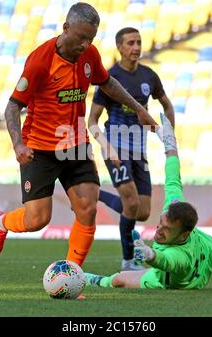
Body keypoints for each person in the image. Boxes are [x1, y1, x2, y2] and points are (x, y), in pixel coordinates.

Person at [0, 3, 158, 267]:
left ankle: (71, 274)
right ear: (66, 29)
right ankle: (2, 222)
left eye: (90, 39)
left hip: (75, 143)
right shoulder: (40, 61)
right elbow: (12, 106)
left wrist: (138, 108)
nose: (84, 44)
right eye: (80, 38)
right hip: (39, 148)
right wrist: (18, 144)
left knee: (88, 209)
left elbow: (107, 83)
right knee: (37, 220)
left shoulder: (89, 55)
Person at [85, 114, 212, 290]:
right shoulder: (173, 208)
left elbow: (167, 261)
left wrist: (150, 255)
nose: (159, 231)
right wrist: (170, 145)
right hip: (206, 247)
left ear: (183, 236)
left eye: (167, 230)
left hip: (180, 280)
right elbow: (173, 177)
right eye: (160, 224)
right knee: (210, 243)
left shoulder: (179, 257)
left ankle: (91, 279)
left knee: (118, 280)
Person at [88, 27, 174, 271]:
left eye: (138, 42)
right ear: (119, 47)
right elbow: (92, 121)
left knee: (142, 212)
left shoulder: (149, 76)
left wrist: (169, 134)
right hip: (115, 147)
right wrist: (107, 147)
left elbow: (166, 104)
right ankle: (128, 260)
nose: (136, 47)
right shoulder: (109, 78)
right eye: (130, 43)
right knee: (131, 202)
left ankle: (97, 194)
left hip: (139, 149)